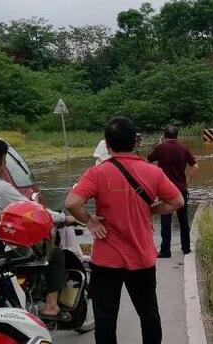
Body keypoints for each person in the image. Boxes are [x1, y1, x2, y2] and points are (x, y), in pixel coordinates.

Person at [65, 116, 184, 344]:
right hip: (141, 257)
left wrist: (90, 221)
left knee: (105, 318)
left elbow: (72, 203)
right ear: (135, 143)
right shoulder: (153, 172)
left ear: (107, 144)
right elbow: (177, 201)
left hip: (106, 260)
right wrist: (151, 210)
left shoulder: (97, 173)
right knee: (148, 313)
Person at [0, 139, 73, 321]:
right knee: (55, 255)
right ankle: (51, 307)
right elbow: (35, 210)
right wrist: (65, 218)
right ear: (2, 161)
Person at [148, 124, 198, 258]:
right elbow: (195, 166)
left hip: (165, 189)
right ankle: (186, 248)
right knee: (183, 220)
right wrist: (187, 182)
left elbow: (147, 160)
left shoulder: (161, 148)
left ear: (164, 136)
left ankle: (165, 251)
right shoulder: (183, 148)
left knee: (166, 220)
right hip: (181, 189)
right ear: (177, 135)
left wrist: (158, 145)